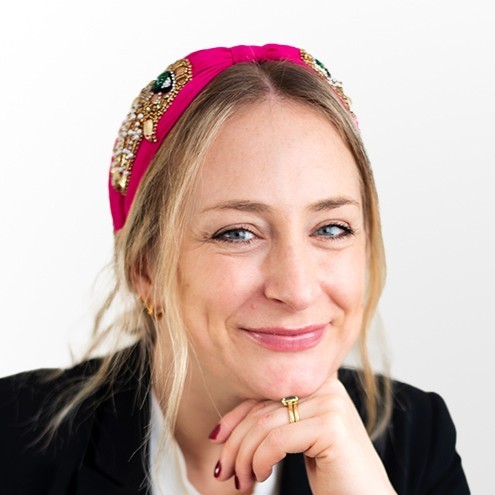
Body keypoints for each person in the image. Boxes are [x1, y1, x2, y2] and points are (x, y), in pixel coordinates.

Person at [0, 44, 470, 494]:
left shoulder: (417, 440)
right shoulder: (11, 443)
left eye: (331, 228)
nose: (298, 290)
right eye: (238, 234)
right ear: (146, 269)